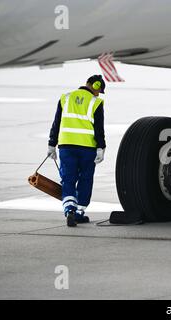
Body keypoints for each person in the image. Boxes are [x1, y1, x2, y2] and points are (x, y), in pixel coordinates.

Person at [47, 75, 106, 227]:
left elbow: (56, 122)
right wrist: (101, 147)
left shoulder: (65, 98)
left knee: (68, 179)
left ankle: (69, 210)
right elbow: (99, 128)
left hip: (66, 147)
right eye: (99, 91)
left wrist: (51, 144)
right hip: (87, 148)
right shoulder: (96, 102)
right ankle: (79, 212)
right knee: (86, 179)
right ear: (96, 85)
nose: (98, 94)